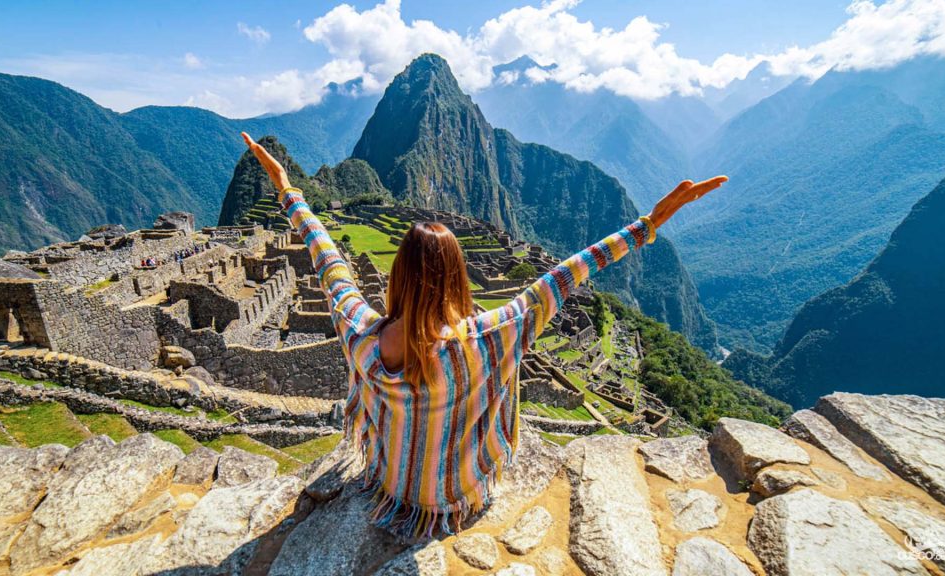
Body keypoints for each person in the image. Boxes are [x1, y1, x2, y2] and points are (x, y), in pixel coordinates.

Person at [241, 132, 726, 538]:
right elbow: (566, 274)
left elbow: (328, 260)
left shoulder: (361, 333)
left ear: (399, 276)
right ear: (456, 276)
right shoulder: (486, 338)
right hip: (455, 494)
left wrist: (288, 188)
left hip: (390, 485)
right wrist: (647, 226)